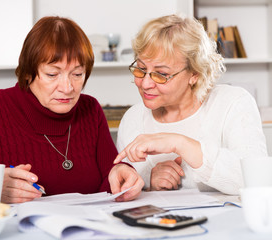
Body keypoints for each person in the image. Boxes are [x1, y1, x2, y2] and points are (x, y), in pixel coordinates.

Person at [0, 16, 143, 203]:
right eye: (52, 74)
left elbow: (110, 175)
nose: (67, 88)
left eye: (77, 74)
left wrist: (121, 173)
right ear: (28, 72)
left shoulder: (90, 109)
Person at [113, 14, 267, 195]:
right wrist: (149, 182)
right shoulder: (133, 118)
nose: (145, 83)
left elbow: (257, 181)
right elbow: (128, 185)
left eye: (161, 74)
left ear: (195, 74)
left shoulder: (233, 103)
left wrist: (179, 143)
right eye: (141, 69)